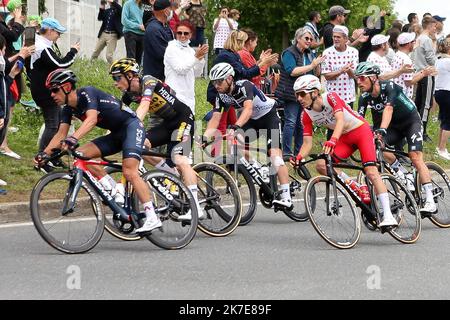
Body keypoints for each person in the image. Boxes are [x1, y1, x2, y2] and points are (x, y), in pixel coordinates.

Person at [34, 68, 162, 233]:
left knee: (130, 171)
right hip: (116, 134)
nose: (52, 95)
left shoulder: (87, 93)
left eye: (54, 90)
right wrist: (45, 154)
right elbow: (60, 134)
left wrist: (74, 138)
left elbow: (92, 119)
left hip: (131, 126)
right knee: (81, 155)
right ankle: (115, 190)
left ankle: (152, 217)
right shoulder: (67, 109)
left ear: (66, 87)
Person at [290, 75, 398, 227]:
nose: (299, 98)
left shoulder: (331, 97)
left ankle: (388, 215)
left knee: (371, 171)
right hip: (345, 138)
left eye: (302, 94)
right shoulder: (305, 115)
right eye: (297, 95)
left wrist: (333, 140)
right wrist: (299, 156)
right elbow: (307, 143)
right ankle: (356, 186)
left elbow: (340, 120)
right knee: (321, 165)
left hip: (361, 131)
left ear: (314, 92)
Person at [109, 58, 204, 220]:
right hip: (167, 124)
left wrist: (134, 128)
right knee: (140, 146)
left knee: (180, 159)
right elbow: (118, 117)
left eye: (118, 78)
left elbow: (144, 106)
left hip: (184, 118)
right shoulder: (129, 95)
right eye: (114, 79)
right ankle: (171, 173)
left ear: (130, 75)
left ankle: (196, 208)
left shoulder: (148, 81)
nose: (116, 83)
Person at [205, 62, 293, 208]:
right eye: (214, 82)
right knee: (234, 146)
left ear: (229, 78)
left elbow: (248, 109)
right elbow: (215, 117)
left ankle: (286, 196)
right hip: (252, 121)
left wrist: (235, 126)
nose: (216, 85)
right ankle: (258, 168)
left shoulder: (244, 85)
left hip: (269, 116)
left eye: (219, 81)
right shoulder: (220, 95)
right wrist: (206, 136)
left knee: (274, 155)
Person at [356, 61, 438, 216]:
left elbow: (388, 109)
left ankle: (430, 200)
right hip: (393, 127)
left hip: (410, 122)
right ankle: (403, 174)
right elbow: (358, 120)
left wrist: (381, 130)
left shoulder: (389, 87)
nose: (358, 82)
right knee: (377, 145)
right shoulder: (364, 97)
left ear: (373, 78)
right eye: (357, 78)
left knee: (415, 157)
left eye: (362, 78)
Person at [30, 17, 79, 161]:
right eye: (58, 33)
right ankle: (42, 157)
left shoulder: (39, 43)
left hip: (44, 89)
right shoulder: (42, 47)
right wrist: (73, 51)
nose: (59, 36)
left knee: (57, 125)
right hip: (45, 92)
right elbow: (61, 64)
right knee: (53, 125)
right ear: (50, 31)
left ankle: (52, 157)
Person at [275, 27, 324, 157]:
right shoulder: (288, 53)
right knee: (291, 122)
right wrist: (312, 65)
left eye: (311, 39)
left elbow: (316, 73)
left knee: (301, 123)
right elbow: (292, 71)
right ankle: (286, 152)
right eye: (306, 38)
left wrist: (318, 64)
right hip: (290, 93)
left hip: (305, 94)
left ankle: (298, 152)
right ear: (298, 38)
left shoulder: (309, 53)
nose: (309, 41)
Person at [164, 20, 208, 114]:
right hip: (175, 95)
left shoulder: (190, 51)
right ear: (176, 33)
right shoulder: (171, 49)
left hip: (189, 96)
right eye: (179, 33)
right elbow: (180, 70)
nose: (182, 35)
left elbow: (196, 74)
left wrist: (200, 59)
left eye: (186, 33)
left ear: (190, 34)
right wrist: (196, 57)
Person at [412, 16, 438, 142]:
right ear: (429, 25)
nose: (435, 29)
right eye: (434, 26)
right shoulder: (427, 40)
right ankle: (422, 131)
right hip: (426, 74)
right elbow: (431, 59)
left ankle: (413, 127)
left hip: (418, 73)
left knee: (418, 102)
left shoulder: (418, 38)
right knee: (426, 104)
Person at [321, 25, 358, 108]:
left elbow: (355, 76)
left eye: (338, 37)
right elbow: (326, 76)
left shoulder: (354, 52)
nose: (335, 39)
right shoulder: (326, 53)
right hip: (332, 97)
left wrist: (348, 70)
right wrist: (341, 71)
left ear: (346, 39)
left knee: (348, 121)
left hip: (348, 97)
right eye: (334, 37)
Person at [393, 32, 436, 99]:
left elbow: (407, 77)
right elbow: (408, 82)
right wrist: (424, 74)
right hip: (403, 97)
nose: (415, 43)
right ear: (408, 44)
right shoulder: (406, 60)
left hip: (396, 93)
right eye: (413, 41)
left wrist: (422, 72)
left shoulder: (397, 54)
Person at [143, 0, 174, 81]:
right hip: (154, 77)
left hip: (164, 75)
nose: (171, 12)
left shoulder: (164, 26)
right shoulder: (153, 29)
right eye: (170, 9)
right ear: (166, 11)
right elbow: (163, 53)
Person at [91, 0, 123, 64]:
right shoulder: (107, 11)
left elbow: (120, 10)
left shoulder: (119, 10)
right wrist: (102, 6)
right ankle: (91, 67)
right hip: (103, 34)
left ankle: (114, 69)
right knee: (95, 52)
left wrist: (112, 1)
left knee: (109, 56)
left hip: (112, 35)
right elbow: (100, 18)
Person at [434, 38, 450, 160]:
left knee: (444, 119)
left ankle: (439, 147)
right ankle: (442, 148)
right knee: (448, 122)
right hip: (447, 92)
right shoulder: (448, 61)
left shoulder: (438, 60)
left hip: (439, 92)